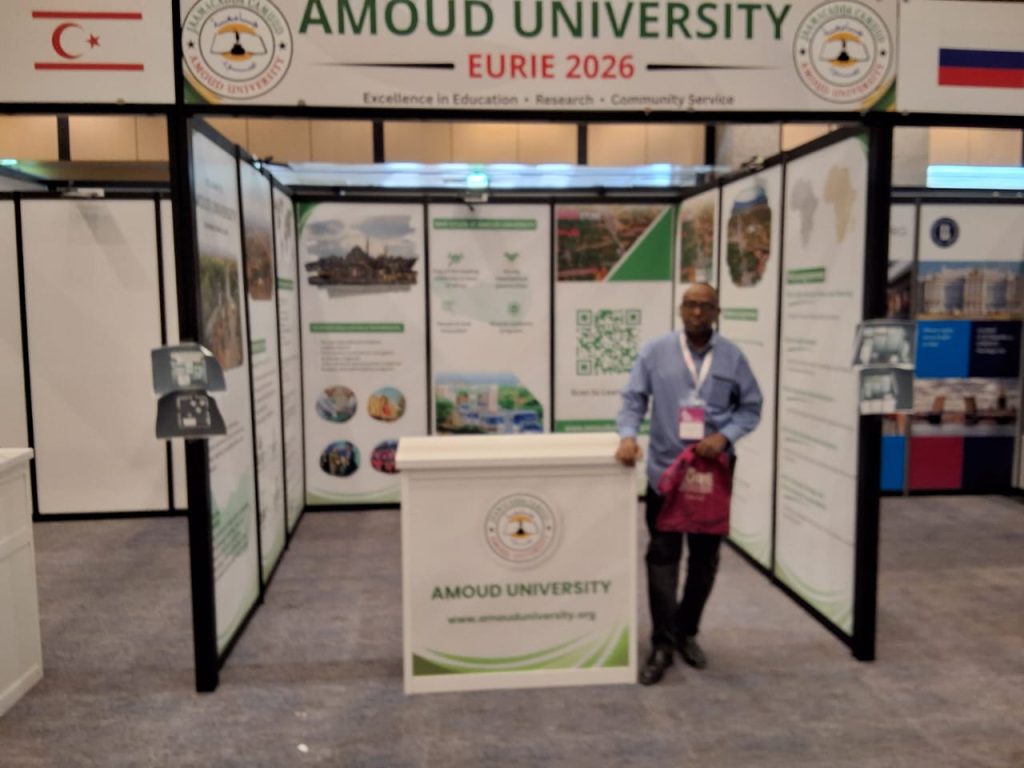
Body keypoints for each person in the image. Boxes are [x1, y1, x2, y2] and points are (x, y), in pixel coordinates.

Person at [615, 283, 762, 685]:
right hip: (666, 473)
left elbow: (751, 408)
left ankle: (687, 631)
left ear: (717, 313)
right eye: (690, 305)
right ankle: (662, 643)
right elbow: (633, 400)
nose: (697, 312)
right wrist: (627, 436)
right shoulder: (656, 352)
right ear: (681, 309)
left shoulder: (732, 357)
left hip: (711, 476)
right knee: (662, 557)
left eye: (705, 306)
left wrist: (725, 436)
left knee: (704, 560)